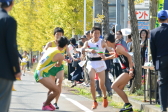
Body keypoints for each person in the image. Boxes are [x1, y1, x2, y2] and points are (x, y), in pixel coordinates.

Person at [34, 36, 68, 111]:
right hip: (41, 73)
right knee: (57, 90)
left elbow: (48, 58)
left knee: (54, 89)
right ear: (65, 46)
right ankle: (45, 104)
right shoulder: (60, 55)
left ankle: (48, 103)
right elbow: (58, 64)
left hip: (41, 71)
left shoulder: (51, 48)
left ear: (57, 43)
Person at [102, 33, 134, 112]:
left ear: (108, 42)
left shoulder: (118, 47)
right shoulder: (116, 48)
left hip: (128, 70)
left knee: (114, 86)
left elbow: (129, 56)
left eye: (105, 42)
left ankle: (128, 105)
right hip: (126, 69)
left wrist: (131, 69)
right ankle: (127, 105)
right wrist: (106, 58)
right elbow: (115, 55)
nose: (105, 44)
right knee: (119, 88)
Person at [82, 27, 112, 109]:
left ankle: (105, 97)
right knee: (92, 81)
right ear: (91, 34)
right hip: (91, 62)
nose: (96, 35)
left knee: (101, 84)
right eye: (95, 33)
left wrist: (105, 54)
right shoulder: (88, 42)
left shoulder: (102, 41)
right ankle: (94, 101)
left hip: (100, 63)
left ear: (100, 34)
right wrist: (89, 50)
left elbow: (109, 50)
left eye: (98, 33)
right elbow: (83, 49)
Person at [44, 27, 73, 109]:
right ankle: (48, 102)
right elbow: (45, 52)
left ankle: (56, 102)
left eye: (60, 34)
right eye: (57, 34)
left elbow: (69, 54)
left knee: (59, 82)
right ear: (54, 35)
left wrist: (70, 59)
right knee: (52, 86)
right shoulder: (50, 44)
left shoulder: (65, 45)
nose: (59, 36)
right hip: (50, 67)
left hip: (60, 66)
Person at [0, 0, 21, 111]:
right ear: (11, 4)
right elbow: (11, 46)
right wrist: (16, 69)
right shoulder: (8, 20)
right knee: (2, 102)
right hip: (4, 70)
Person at [150, 10, 168, 112]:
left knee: (163, 83)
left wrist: (155, 64)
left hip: (161, 59)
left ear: (158, 19)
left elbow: (153, 51)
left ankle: (163, 107)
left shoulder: (153, 32)